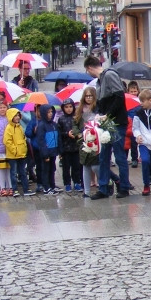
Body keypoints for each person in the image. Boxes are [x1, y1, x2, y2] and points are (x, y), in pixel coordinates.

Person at [83, 54, 132, 199]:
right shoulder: (100, 80)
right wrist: (99, 114)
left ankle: (124, 187)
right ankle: (103, 188)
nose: (88, 73)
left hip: (116, 122)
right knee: (103, 156)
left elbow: (119, 96)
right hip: (106, 122)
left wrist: (108, 114)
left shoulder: (109, 75)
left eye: (88, 70)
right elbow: (103, 102)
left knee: (119, 156)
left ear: (90, 68)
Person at [4, 107, 33, 197]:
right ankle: (15, 189)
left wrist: (24, 149)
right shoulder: (9, 128)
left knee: (23, 172)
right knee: (13, 173)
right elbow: (7, 141)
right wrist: (15, 150)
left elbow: (23, 138)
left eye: (18, 115)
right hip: (13, 155)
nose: (17, 117)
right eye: (15, 116)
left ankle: (26, 189)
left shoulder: (20, 127)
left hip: (21, 154)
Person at [57, 100, 83, 192]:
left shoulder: (76, 118)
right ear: (63, 108)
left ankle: (77, 182)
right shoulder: (61, 119)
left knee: (76, 166)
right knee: (66, 168)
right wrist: (67, 134)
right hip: (66, 148)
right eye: (66, 107)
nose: (69, 109)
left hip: (76, 147)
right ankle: (67, 183)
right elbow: (59, 133)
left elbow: (81, 129)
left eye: (70, 107)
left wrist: (77, 134)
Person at [34, 105, 60, 194]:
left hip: (53, 151)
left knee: (52, 169)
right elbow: (41, 141)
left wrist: (59, 150)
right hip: (46, 152)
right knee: (46, 170)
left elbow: (57, 137)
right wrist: (45, 154)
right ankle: (46, 187)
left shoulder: (54, 124)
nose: (50, 114)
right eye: (48, 112)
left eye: (51, 112)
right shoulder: (42, 125)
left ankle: (52, 185)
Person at [127, 80, 140, 169]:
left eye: (135, 91)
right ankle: (126, 158)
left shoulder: (139, 101)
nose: (133, 93)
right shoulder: (126, 101)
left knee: (134, 143)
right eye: (131, 91)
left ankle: (134, 158)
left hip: (136, 124)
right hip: (128, 124)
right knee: (128, 142)